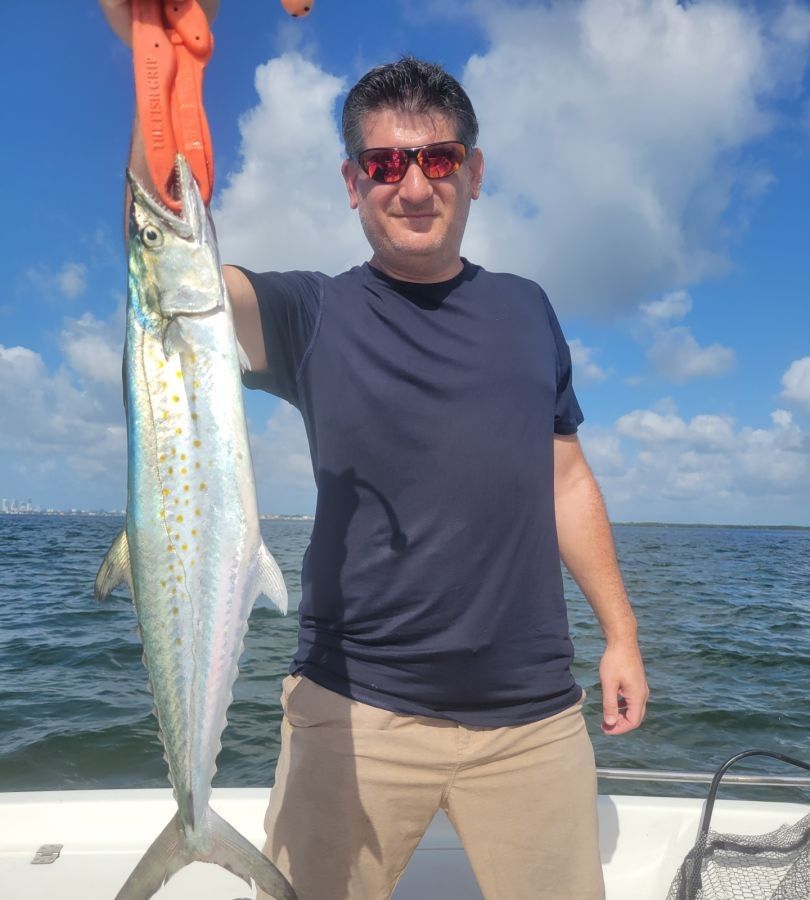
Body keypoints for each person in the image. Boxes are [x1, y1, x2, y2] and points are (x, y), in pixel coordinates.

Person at [100, 3, 649, 898]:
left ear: (472, 173)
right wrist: (154, 73)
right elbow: (158, 263)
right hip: (349, 714)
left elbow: (567, 478)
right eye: (387, 164)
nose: (415, 185)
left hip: (533, 720)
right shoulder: (308, 313)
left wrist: (620, 635)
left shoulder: (529, 309)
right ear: (353, 182)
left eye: (436, 160)